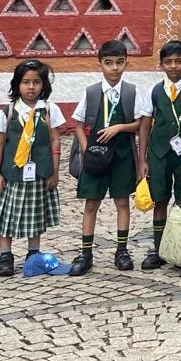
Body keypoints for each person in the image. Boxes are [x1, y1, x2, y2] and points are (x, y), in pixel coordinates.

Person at [69, 39, 140, 276]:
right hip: (95, 157)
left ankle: (122, 251)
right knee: (91, 203)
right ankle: (86, 253)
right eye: (109, 63)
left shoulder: (131, 92)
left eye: (119, 62)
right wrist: (86, 148)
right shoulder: (91, 92)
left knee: (122, 202)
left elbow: (140, 123)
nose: (114, 68)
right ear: (100, 64)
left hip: (122, 155)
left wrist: (120, 127)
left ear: (126, 63)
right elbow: (78, 124)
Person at [0, 59, 64, 276]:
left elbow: (55, 141)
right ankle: (5, 255)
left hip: (39, 173)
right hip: (11, 175)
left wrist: (54, 172)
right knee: (6, 215)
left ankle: (33, 253)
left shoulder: (49, 110)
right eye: (26, 82)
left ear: (44, 85)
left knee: (35, 213)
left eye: (36, 82)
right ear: (17, 84)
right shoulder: (7, 112)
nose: (31, 87)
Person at [136, 40, 181, 270]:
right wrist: (142, 159)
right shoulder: (154, 91)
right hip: (158, 153)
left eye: (179, 61)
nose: (173, 66)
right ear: (161, 65)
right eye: (168, 62)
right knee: (159, 199)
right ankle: (159, 248)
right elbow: (144, 126)